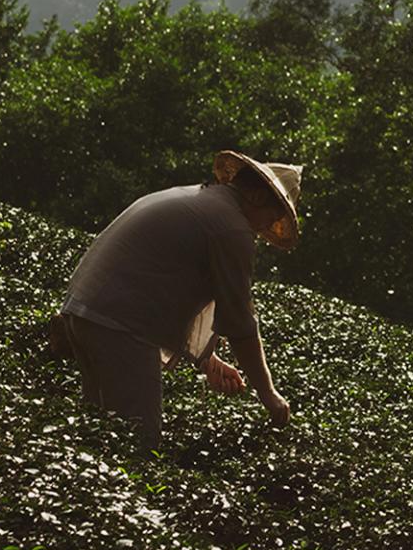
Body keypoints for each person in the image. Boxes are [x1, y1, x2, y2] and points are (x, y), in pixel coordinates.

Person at [57, 150, 301, 443]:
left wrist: (208, 359)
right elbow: (240, 322)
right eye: (269, 219)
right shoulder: (231, 227)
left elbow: (168, 279)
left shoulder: (197, 199)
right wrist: (269, 394)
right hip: (119, 326)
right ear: (258, 198)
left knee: (100, 433)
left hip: (84, 312)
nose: (262, 230)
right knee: (138, 444)